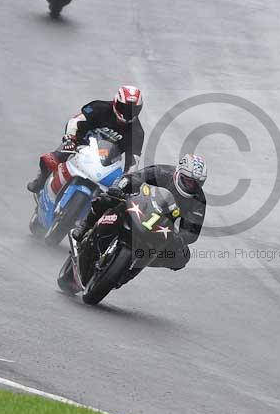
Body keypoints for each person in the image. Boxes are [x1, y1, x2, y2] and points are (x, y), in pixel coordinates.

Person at [70, 154, 208, 274]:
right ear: (178, 173)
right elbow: (133, 177)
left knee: (182, 256)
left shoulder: (198, 201)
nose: (190, 186)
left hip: (160, 227)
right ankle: (85, 226)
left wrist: (180, 238)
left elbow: (192, 231)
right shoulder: (162, 172)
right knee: (107, 199)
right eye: (187, 180)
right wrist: (118, 188)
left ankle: (133, 267)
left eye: (195, 184)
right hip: (139, 206)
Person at [26, 86, 144, 193]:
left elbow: (133, 163)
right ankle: (40, 181)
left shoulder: (137, 133)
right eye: (124, 108)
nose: (127, 113)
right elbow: (75, 121)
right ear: (116, 102)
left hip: (106, 162)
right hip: (78, 146)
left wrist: (126, 180)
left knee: (119, 194)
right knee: (51, 160)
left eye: (133, 110)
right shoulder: (99, 107)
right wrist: (70, 139)